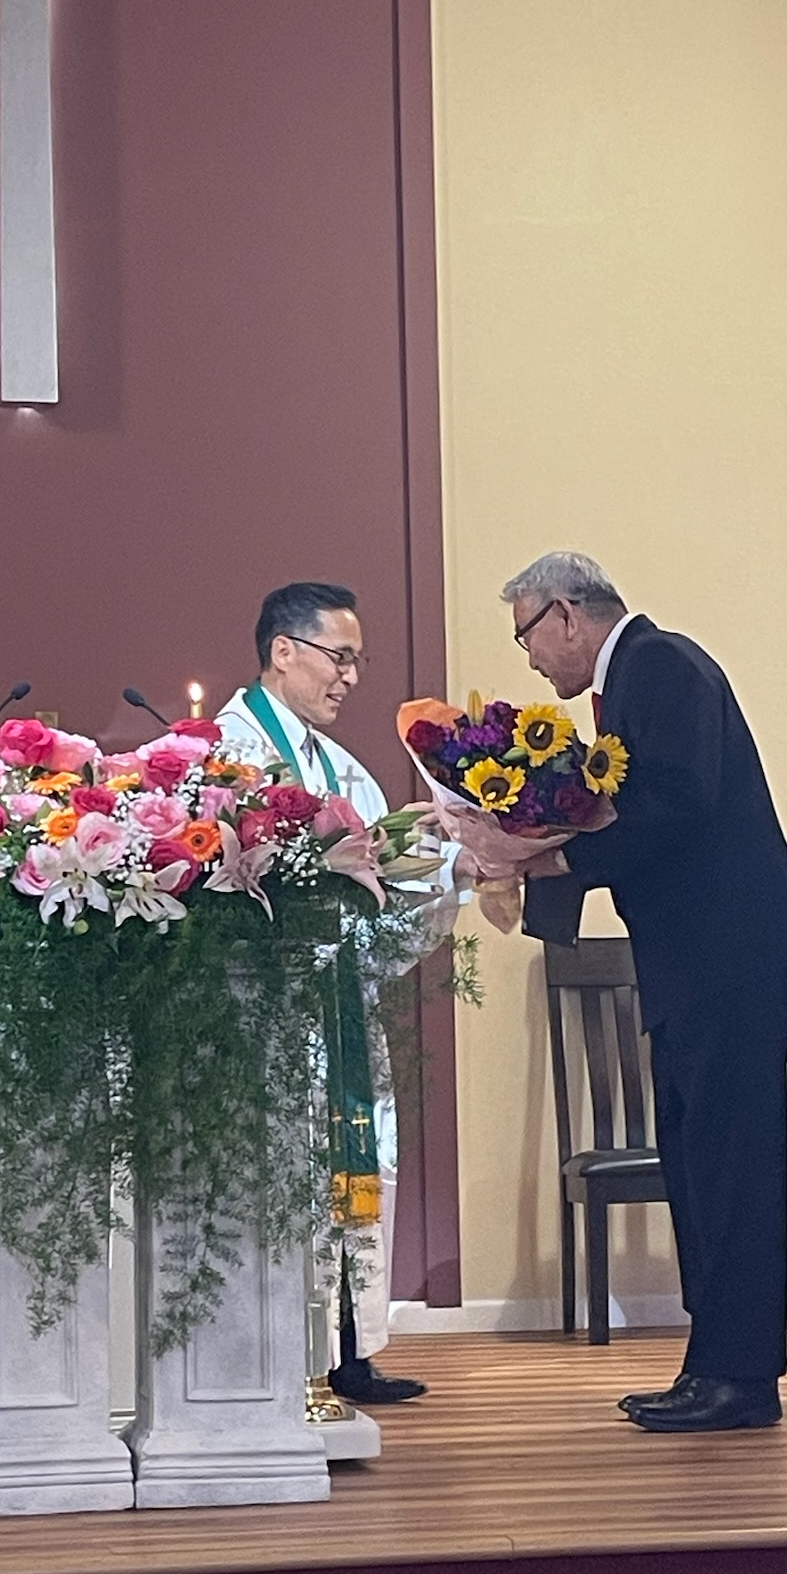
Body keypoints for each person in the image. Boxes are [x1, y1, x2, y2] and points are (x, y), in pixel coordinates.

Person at [509, 552, 787, 1433]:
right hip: (700, 961)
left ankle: (742, 1377)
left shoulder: (661, 664)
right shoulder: (638, 676)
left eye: (527, 636)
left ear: (566, 615)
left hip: (730, 955)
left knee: (732, 1169)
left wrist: (562, 857)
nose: (531, 658)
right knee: (700, 1167)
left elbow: (680, 804)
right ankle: (713, 1366)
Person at [217, 581, 445, 1406]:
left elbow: (383, 895)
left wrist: (440, 862)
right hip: (255, 1015)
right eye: (338, 658)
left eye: (357, 661)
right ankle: (271, 1351)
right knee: (274, 1174)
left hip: (336, 1006)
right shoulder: (225, 755)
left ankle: (346, 1349)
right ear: (284, 651)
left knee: (353, 1161)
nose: (349, 677)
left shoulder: (341, 769)